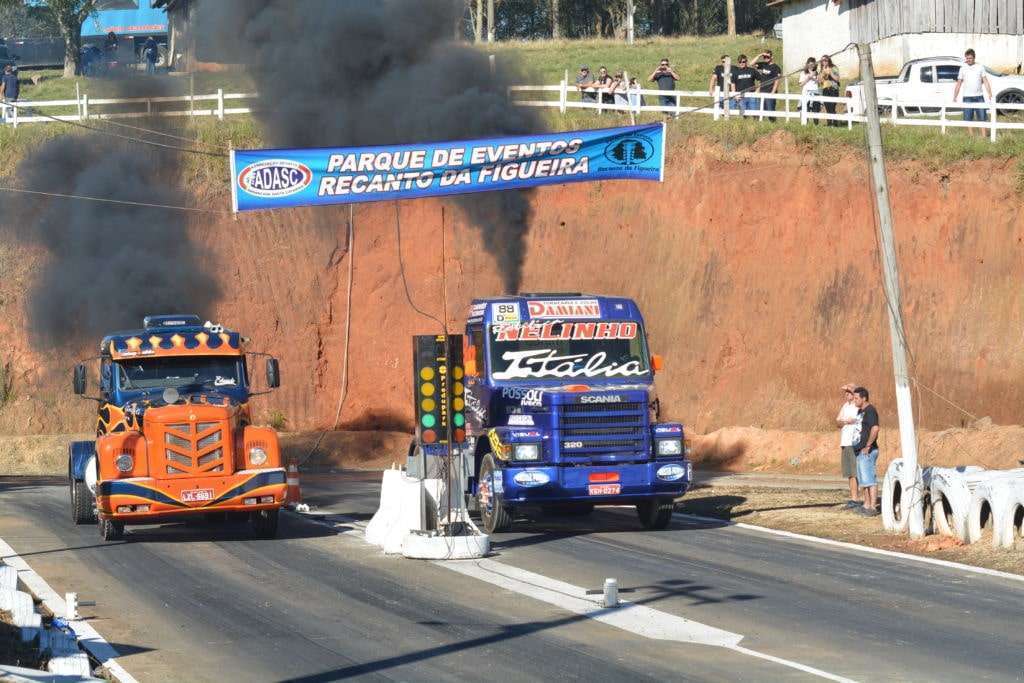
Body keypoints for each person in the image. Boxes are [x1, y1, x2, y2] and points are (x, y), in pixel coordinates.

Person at [852, 387, 880, 516]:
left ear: (864, 398)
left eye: (856, 398)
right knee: (864, 481)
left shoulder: (870, 411)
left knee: (870, 479)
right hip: (859, 451)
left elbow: (875, 429)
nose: (854, 400)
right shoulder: (860, 411)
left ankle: (873, 507)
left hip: (867, 451)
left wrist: (868, 445)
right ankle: (866, 504)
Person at [953, 48, 992, 133]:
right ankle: (971, 136)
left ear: (974, 58)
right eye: (967, 58)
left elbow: (985, 81)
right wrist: (955, 96)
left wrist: (990, 93)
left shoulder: (980, 67)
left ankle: (984, 136)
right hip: (967, 97)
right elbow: (959, 83)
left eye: (970, 58)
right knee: (968, 118)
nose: (968, 60)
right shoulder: (962, 68)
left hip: (979, 96)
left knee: (982, 117)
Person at [836, 384, 861, 508]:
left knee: (855, 472)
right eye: (845, 392)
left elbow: (860, 420)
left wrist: (851, 421)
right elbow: (838, 421)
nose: (846, 394)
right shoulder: (845, 406)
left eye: (849, 392)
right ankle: (853, 498)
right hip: (844, 442)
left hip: (853, 442)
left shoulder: (858, 406)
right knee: (849, 472)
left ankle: (856, 498)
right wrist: (845, 422)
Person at [754, 49, 782, 122]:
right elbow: (751, 64)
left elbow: (777, 80)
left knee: (770, 111)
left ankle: (774, 124)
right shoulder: (763, 64)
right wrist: (760, 55)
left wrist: (773, 91)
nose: (766, 58)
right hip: (762, 91)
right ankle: (760, 125)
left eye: (767, 57)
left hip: (770, 91)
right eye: (764, 57)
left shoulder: (776, 67)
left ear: (771, 57)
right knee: (760, 110)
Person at [818, 55, 841, 126]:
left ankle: (835, 123)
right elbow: (820, 81)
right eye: (822, 61)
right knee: (827, 107)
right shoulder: (822, 69)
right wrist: (822, 76)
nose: (824, 62)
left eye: (825, 60)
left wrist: (830, 73)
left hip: (833, 89)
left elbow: (837, 79)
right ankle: (829, 123)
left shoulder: (834, 68)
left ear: (829, 60)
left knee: (832, 107)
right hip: (825, 89)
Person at [799, 57, 821, 125]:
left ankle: (816, 125)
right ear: (807, 64)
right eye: (810, 64)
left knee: (816, 110)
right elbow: (801, 84)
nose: (811, 66)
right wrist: (808, 78)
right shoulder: (803, 73)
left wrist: (814, 78)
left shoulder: (816, 73)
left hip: (815, 92)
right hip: (806, 93)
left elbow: (819, 83)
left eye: (813, 65)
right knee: (806, 109)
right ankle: (805, 125)